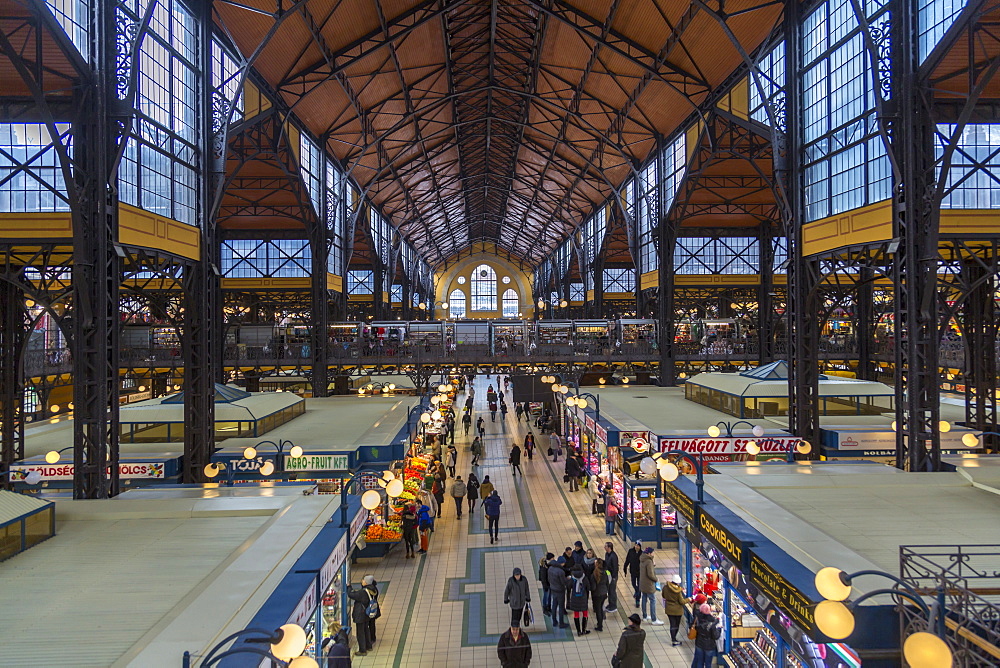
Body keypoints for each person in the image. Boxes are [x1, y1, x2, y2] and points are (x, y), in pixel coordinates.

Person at [347, 576, 378, 656]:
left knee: (360, 632)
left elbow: (351, 595)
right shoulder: (373, 590)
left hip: (361, 614)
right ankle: (368, 646)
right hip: (367, 614)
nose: (362, 581)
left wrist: (349, 587)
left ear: (366, 582)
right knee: (366, 630)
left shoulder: (363, 592)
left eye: (363, 580)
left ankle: (362, 650)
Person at [691, 603, 721, 668]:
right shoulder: (712, 622)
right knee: (708, 664)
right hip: (709, 646)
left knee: (700, 662)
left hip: (699, 643)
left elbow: (693, 626)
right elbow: (716, 636)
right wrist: (718, 630)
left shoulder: (697, 618)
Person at [663, 573, 689, 646]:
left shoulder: (665, 587)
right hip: (677, 610)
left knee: (672, 624)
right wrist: (689, 599)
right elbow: (682, 601)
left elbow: (663, 595)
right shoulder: (678, 591)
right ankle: (674, 639)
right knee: (676, 625)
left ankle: (673, 638)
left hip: (669, 608)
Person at [639, 547, 663, 624]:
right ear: (649, 553)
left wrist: (653, 565)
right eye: (652, 553)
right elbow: (650, 574)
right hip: (649, 584)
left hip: (643, 583)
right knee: (652, 600)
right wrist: (656, 579)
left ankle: (644, 616)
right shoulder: (649, 561)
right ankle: (654, 619)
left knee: (644, 599)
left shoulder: (642, 559)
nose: (653, 554)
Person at [567, 563, 593, 636]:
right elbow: (589, 587)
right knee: (585, 614)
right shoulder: (584, 578)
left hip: (575, 599)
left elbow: (568, 587)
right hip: (583, 598)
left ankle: (578, 631)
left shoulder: (573, 578)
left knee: (576, 615)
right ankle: (584, 630)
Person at [546, 555, 569, 629]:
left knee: (554, 605)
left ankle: (554, 621)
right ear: (562, 563)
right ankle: (561, 623)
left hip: (553, 589)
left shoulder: (550, 568)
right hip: (560, 590)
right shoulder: (560, 571)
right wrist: (567, 579)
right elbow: (563, 582)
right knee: (561, 607)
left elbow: (548, 579)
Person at [623, 540, 643, 608]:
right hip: (633, 571)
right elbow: (627, 560)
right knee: (634, 584)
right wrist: (625, 568)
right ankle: (637, 591)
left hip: (640, 572)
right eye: (636, 545)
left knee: (639, 586)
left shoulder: (642, 554)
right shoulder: (631, 551)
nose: (636, 547)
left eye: (638, 546)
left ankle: (637, 600)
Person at [591, 557, 609, 632]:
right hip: (604, 593)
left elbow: (593, 586)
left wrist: (592, 591)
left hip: (597, 594)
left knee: (598, 610)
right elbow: (607, 583)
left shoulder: (594, 574)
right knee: (601, 608)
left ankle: (600, 625)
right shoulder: (605, 572)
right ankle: (601, 622)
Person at [604, 541, 620, 613]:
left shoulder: (613, 556)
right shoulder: (607, 554)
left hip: (613, 576)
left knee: (612, 591)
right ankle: (610, 604)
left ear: (609, 547)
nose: (604, 548)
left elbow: (615, 567)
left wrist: (613, 577)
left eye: (605, 546)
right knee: (609, 590)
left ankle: (613, 606)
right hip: (608, 575)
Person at [538, 552, 554, 616]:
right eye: (552, 558)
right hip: (546, 583)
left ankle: (549, 607)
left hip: (550, 582)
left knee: (550, 595)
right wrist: (545, 586)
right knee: (546, 595)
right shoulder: (544, 567)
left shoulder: (549, 564)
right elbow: (543, 577)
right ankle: (545, 608)